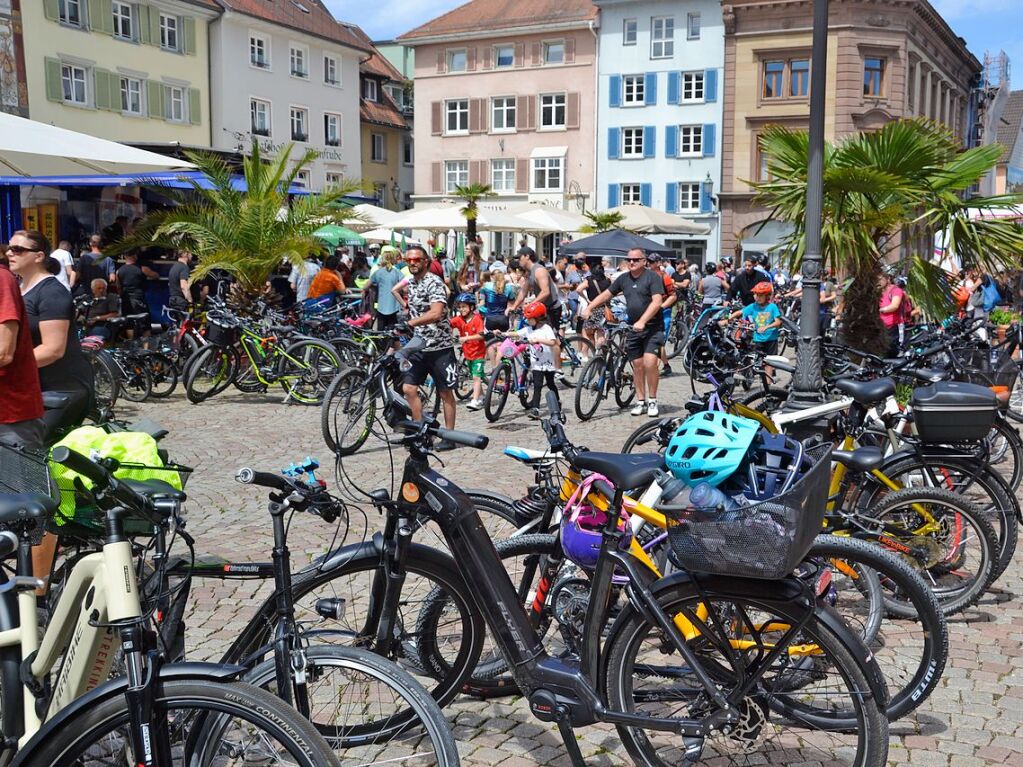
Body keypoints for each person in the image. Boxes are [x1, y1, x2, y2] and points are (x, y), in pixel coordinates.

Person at [7, 229, 93, 430]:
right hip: (30, 389)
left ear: (39, 256)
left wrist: (8, 367)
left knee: (25, 454)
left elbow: (52, 350)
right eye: (9, 248)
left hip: (58, 391)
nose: (10, 253)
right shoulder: (17, 288)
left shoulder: (51, 293)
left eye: (18, 249)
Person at [581, 248, 665, 417]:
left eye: (635, 260)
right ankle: (640, 401)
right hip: (632, 327)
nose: (631, 262)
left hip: (652, 328)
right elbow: (606, 294)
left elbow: (657, 302)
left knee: (650, 363)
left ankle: (653, 400)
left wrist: (643, 321)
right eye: (629, 260)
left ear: (644, 261)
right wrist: (590, 307)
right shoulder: (623, 279)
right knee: (638, 365)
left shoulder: (652, 278)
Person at [392, 245, 459, 447]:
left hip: (440, 347)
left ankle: (449, 437)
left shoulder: (433, 282)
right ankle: (419, 431)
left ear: (426, 262)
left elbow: (436, 313)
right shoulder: (411, 284)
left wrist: (411, 323)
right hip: (419, 346)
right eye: (409, 260)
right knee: (409, 388)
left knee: (445, 392)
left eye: (417, 260)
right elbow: (412, 309)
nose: (412, 263)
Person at [0, 242, 45, 448]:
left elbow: (4, 352)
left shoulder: (2, 279)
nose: (12, 252)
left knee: (18, 480)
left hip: (10, 415)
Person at [512, 301, 560, 419]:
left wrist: (539, 340)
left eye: (530, 318)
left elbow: (553, 342)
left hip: (548, 363)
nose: (527, 321)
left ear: (538, 318)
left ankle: (557, 402)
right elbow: (516, 334)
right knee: (537, 385)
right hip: (536, 363)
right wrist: (502, 333)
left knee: (550, 384)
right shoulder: (528, 329)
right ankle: (535, 409)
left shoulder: (546, 328)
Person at [730, 281, 782, 376]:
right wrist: (729, 318)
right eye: (756, 294)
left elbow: (778, 322)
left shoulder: (772, 307)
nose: (757, 297)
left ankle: (768, 386)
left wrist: (766, 327)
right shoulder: (753, 306)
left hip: (771, 339)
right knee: (758, 360)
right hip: (758, 339)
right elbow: (740, 312)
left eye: (760, 295)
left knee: (769, 362)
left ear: (767, 296)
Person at [451, 293, 486, 410]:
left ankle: (475, 400)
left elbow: (481, 336)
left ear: (471, 307)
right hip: (468, 353)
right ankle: (481, 396)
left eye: (464, 307)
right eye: (460, 307)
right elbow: (448, 324)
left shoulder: (477, 319)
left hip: (478, 353)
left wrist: (466, 338)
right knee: (474, 375)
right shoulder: (459, 319)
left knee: (476, 377)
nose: (461, 309)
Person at [649, 254, 676, 377]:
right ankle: (665, 365)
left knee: (658, 340)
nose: (649, 263)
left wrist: (661, 307)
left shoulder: (665, 277)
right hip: (649, 311)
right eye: (648, 261)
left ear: (658, 263)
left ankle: (657, 367)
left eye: (652, 261)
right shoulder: (646, 276)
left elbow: (673, 296)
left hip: (663, 312)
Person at [368, 248, 404, 329]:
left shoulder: (378, 273)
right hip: (395, 307)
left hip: (380, 307)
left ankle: (381, 341)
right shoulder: (397, 272)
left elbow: (366, 286)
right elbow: (405, 288)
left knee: (381, 332)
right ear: (393, 259)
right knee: (393, 333)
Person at [116, 251, 149, 318]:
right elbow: (155, 275)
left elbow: (118, 287)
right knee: (144, 322)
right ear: (135, 256)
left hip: (126, 299)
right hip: (139, 298)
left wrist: (121, 295)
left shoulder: (119, 271)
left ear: (124, 256)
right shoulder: (142, 269)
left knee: (128, 323)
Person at [879, 272, 905, 355]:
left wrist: (880, 310)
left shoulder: (896, 290)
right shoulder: (879, 292)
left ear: (888, 279)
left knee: (891, 352)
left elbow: (894, 305)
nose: (878, 282)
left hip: (892, 328)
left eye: (880, 279)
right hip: (880, 327)